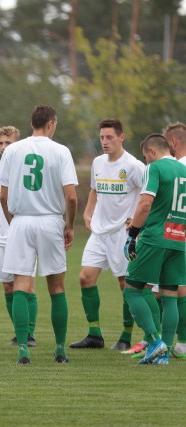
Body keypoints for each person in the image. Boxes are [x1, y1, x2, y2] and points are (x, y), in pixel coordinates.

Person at [0, 105, 78, 364]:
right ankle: (60, 349)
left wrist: (13, 221)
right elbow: (72, 196)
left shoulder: (12, 150)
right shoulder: (61, 151)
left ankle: (23, 348)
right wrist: (69, 225)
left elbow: (4, 194)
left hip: (21, 221)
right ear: (51, 123)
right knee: (56, 287)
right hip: (50, 221)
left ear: (32, 123)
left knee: (21, 284)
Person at [69, 119, 145, 351]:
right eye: (102, 137)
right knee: (85, 278)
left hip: (123, 235)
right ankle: (94, 335)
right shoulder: (98, 162)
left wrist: (137, 223)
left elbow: (147, 197)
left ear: (122, 137)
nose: (104, 142)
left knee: (126, 284)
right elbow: (95, 189)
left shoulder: (134, 166)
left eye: (109, 137)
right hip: (99, 233)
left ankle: (125, 336)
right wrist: (88, 211)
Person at [122, 133, 186, 365]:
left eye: (146, 157)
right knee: (170, 297)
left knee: (132, 289)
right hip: (178, 238)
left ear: (151, 151)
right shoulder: (184, 169)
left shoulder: (155, 168)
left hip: (155, 238)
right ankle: (165, 354)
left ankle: (155, 341)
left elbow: (146, 203)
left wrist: (132, 235)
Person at [0, 126, 37, 347]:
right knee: (7, 287)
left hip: (23, 236)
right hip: (1, 238)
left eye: (8, 143)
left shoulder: (26, 170)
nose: (4, 148)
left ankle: (29, 334)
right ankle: (19, 331)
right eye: (1, 143)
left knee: (27, 286)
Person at [162, 123, 186, 358]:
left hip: (176, 234)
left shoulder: (176, 167)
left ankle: (174, 342)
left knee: (174, 289)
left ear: (173, 143)